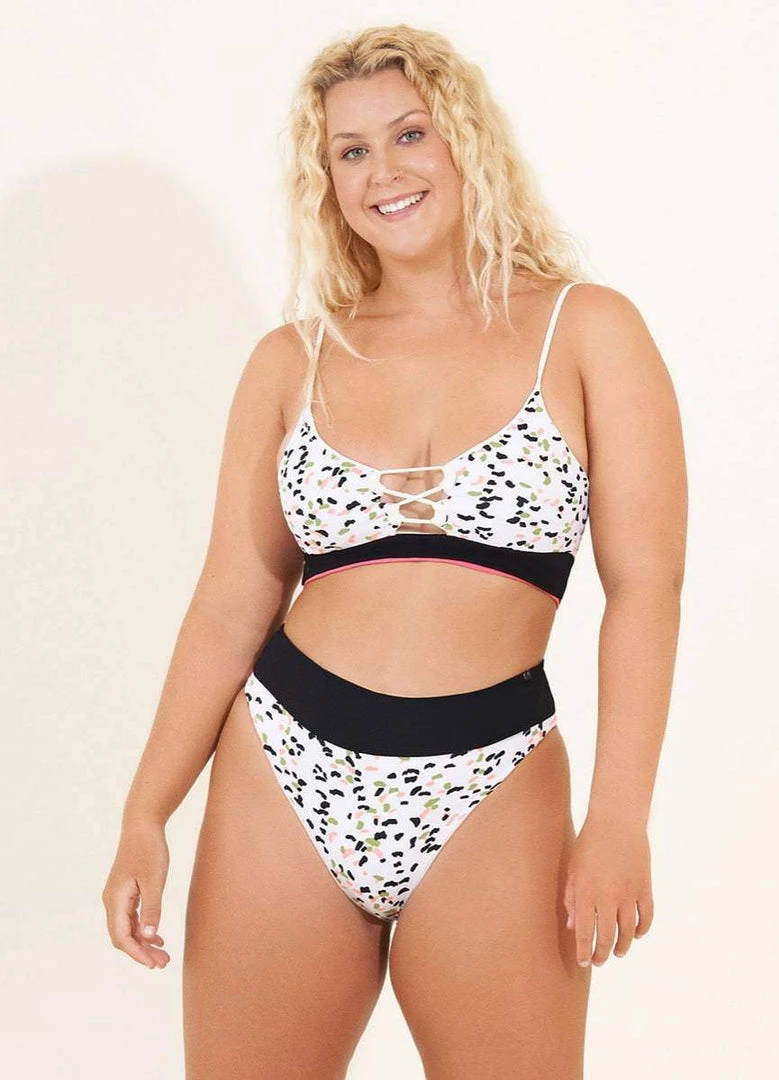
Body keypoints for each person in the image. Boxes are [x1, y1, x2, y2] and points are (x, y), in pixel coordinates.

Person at [102, 24, 687, 1079]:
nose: (385, 171)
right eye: (352, 151)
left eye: (409, 134)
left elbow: (646, 588)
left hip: (493, 776)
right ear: (327, 183)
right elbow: (229, 603)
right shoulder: (291, 359)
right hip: (284, 764)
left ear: (464, 140)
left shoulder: (588, 330)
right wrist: (147, 810)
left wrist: (618, 818)